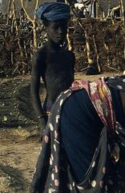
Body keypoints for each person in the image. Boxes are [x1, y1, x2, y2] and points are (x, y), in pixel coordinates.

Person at [30, 2, 76, 132]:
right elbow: (33, 90)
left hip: (71, 109)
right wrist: (41, 119)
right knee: (51, 149)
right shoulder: (41, 56)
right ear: (46, 27)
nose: (61, 31)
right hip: (51, 110)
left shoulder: (69, 56)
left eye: (63, 27)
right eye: (56, 27)